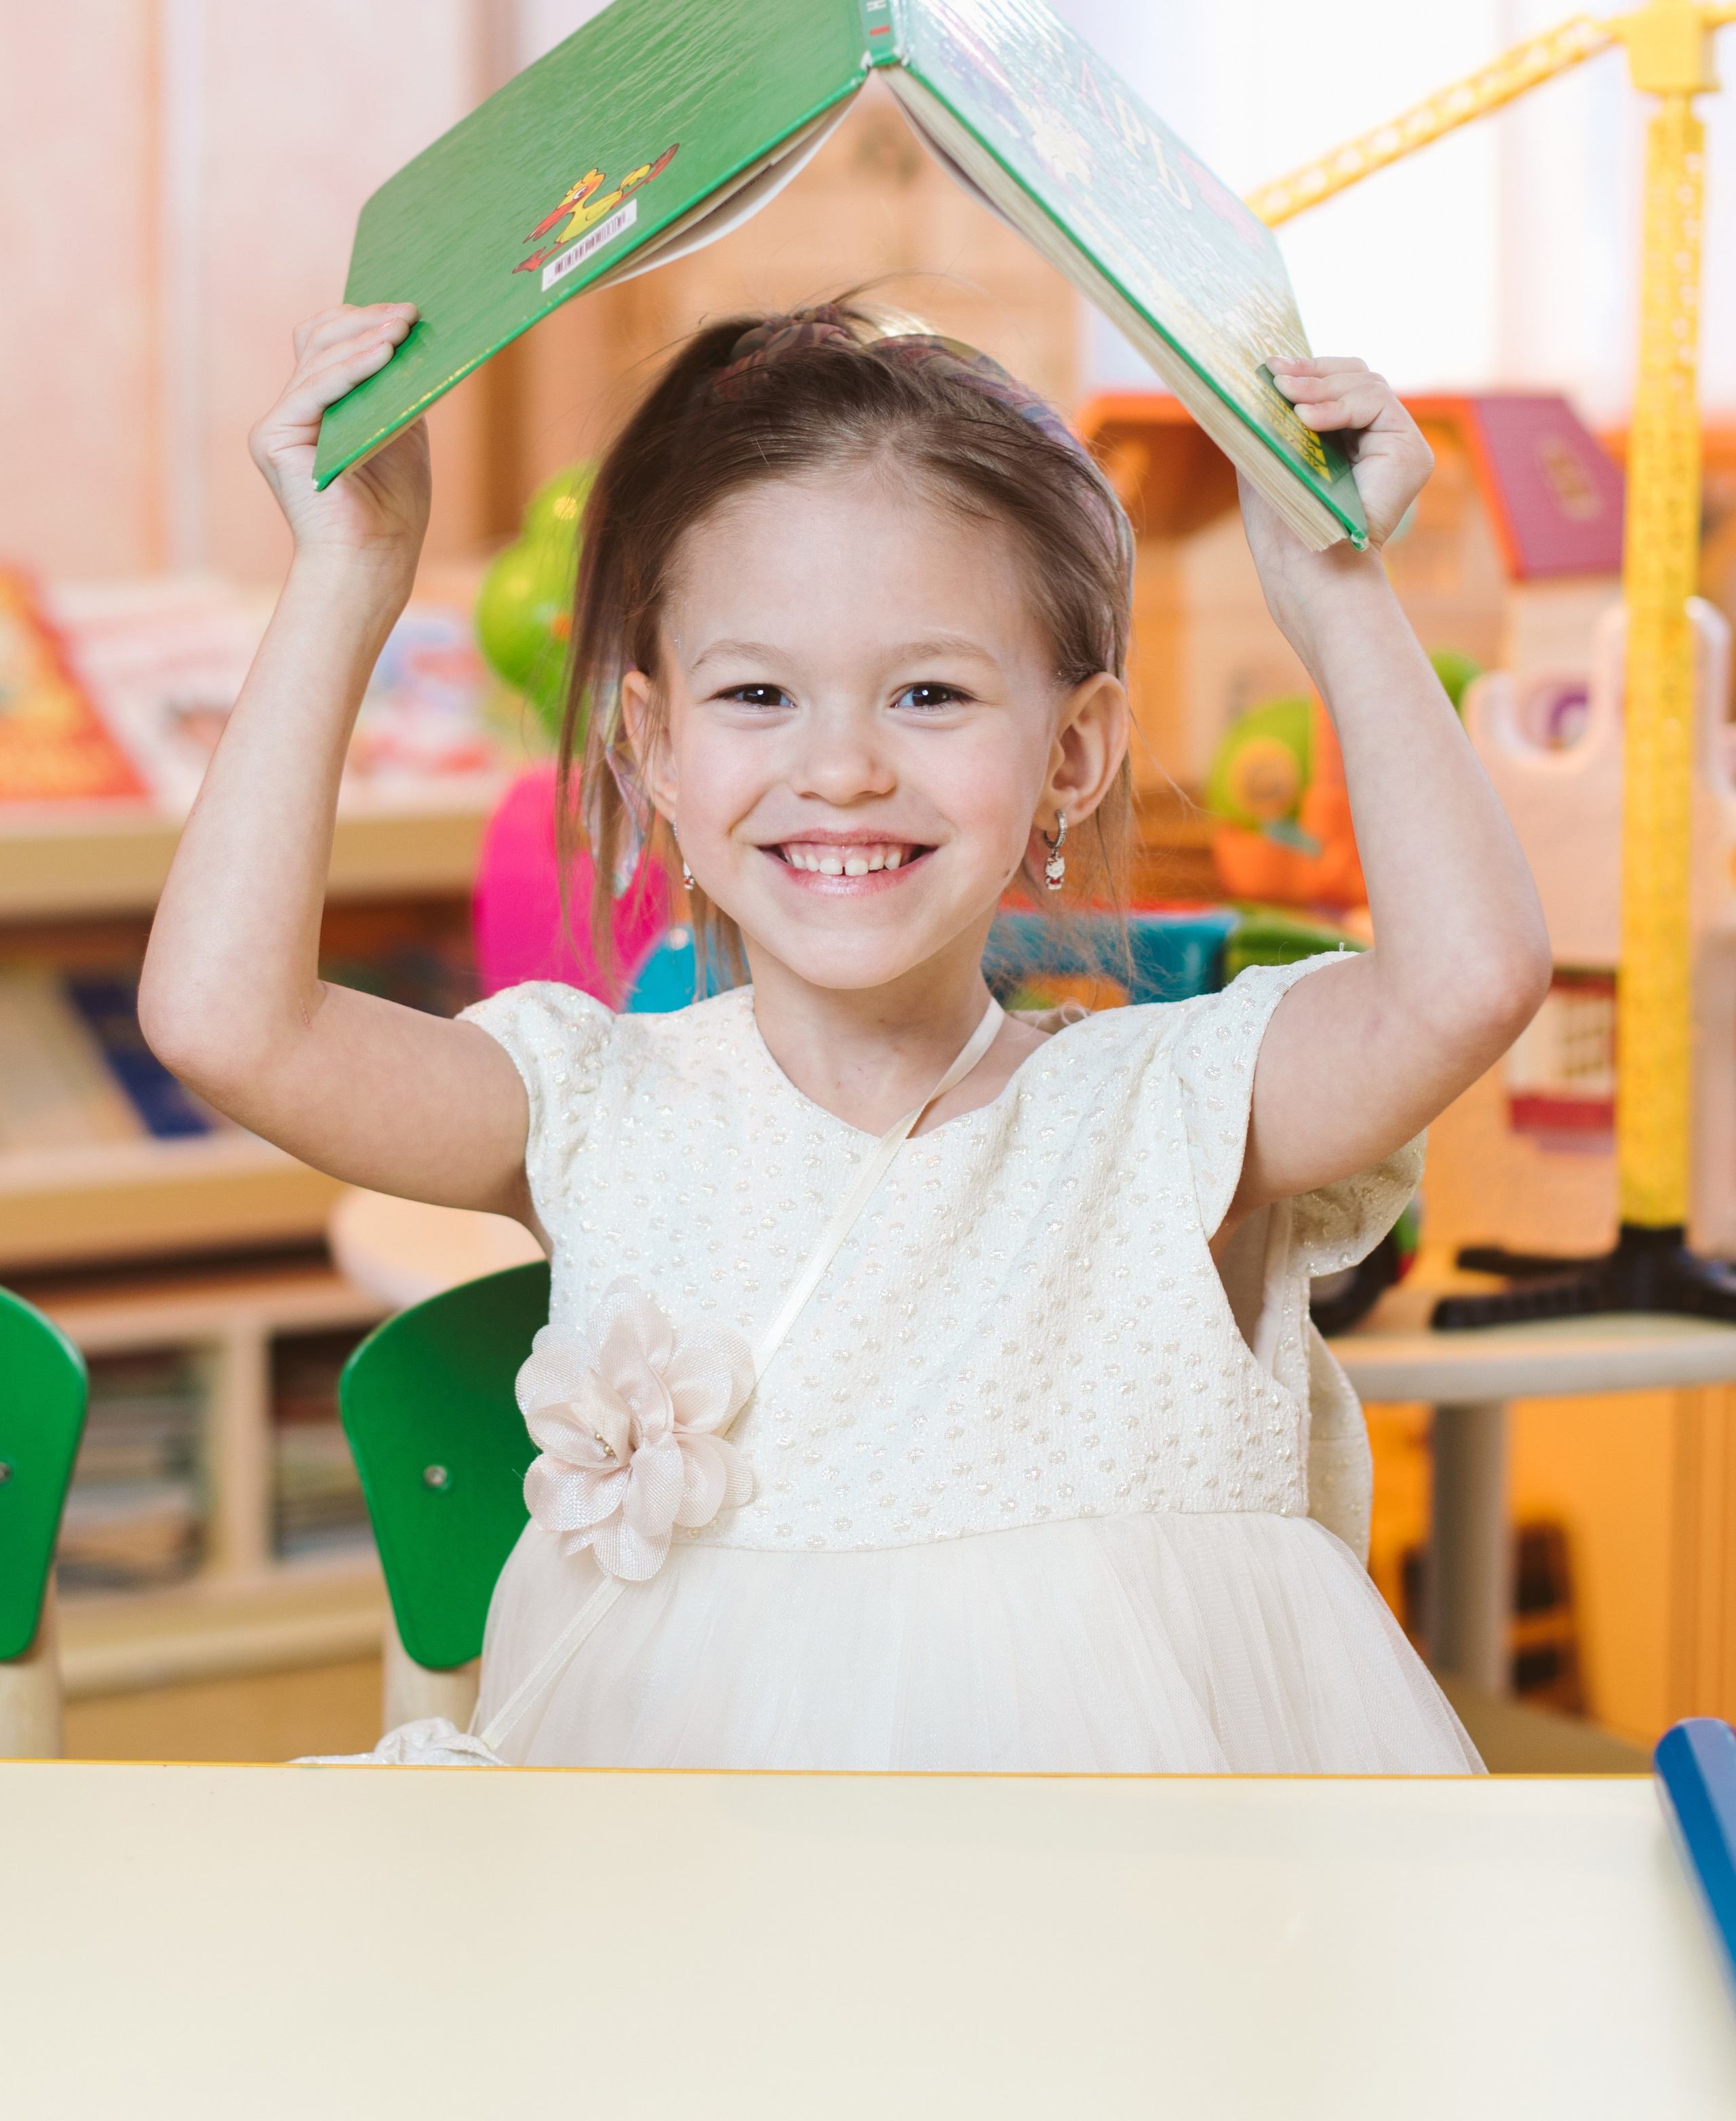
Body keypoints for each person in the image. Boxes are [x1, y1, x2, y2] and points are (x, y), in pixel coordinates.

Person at [140, 297, 1550, 1772]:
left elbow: (1466, 981)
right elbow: (225, 1022)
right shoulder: (598, 1107)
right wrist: (349, 571)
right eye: (757, 694)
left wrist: (1335, 584)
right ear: (653, 750)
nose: (841, 768)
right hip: (700, 1899)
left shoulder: (1164, 1113)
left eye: (928, 694)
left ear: (1072, 753)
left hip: (1099, 1905)